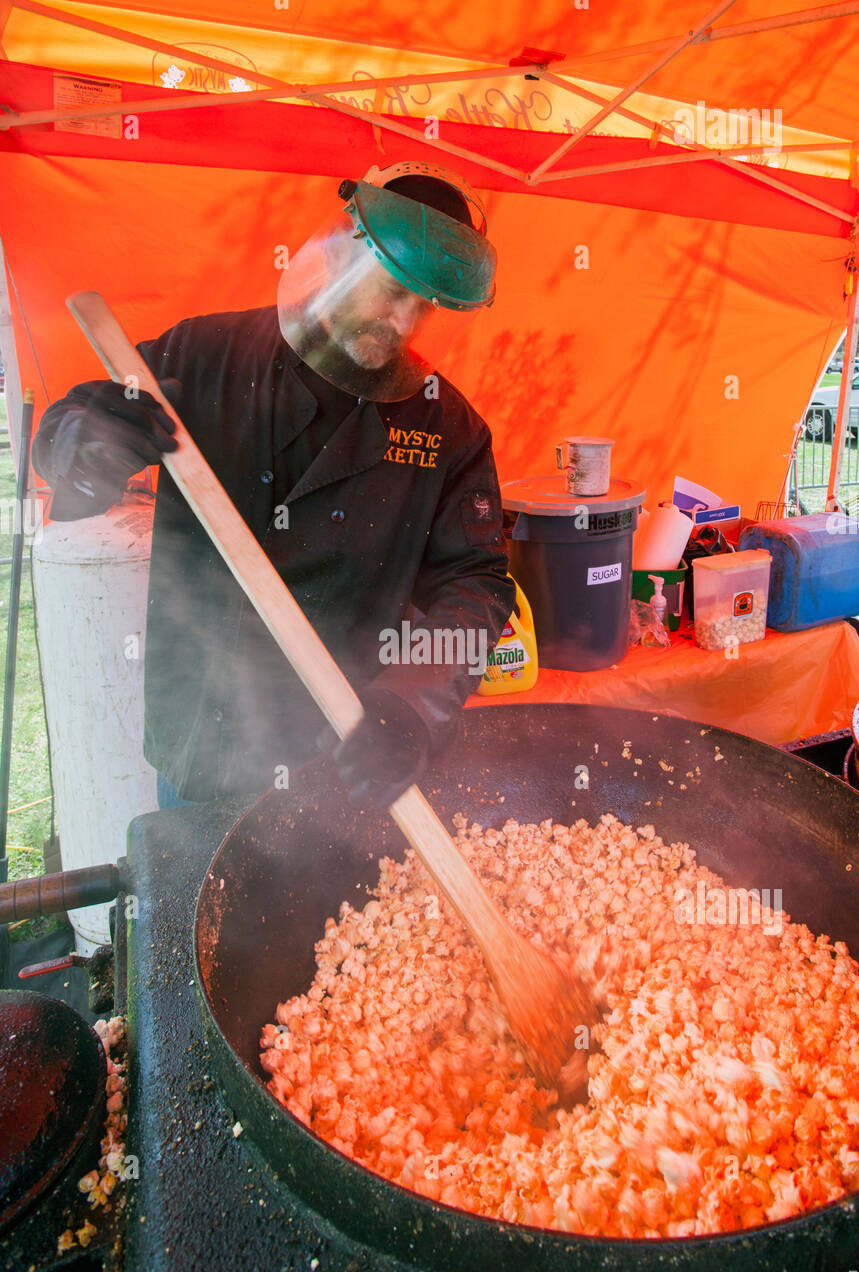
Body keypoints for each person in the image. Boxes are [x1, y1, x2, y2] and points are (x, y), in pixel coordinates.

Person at [31, 162, 515, 810]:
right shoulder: (205, 354)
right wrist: (89, 444)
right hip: (201, 733)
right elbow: (61, 440)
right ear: (342, 252)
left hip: (342, 753)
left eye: (424, 305)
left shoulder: (447, 427)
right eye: (390, 287)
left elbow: (476, 584)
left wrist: (412, 704)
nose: (402, 321)